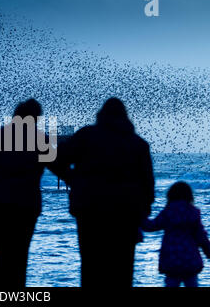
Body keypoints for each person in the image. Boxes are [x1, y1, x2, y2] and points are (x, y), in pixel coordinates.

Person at [51, 97, 155, 287]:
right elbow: (148, 187)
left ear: (101, 115)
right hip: (126, 215)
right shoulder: (139, 145)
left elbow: (55, 159)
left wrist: (72, 179)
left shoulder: (86, 136)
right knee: (122, 271)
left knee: (91, 267)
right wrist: (142, 214)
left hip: (90, 211)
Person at [0, 98, 58, 287]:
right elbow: (58, 167)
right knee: (18, 254)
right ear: (36, 118)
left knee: (2, 251)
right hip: (23, 206)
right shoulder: (40, 139)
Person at [142, 181, 210, 287]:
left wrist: (140, 216)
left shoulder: (168, 212)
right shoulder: (193, 212)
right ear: (189, 196)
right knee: (192, 284)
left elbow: (151, 226)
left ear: (170, 195)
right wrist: (208, 250)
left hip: (171, 260)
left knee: (171, 284)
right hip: (190, 260)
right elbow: (200, 235)